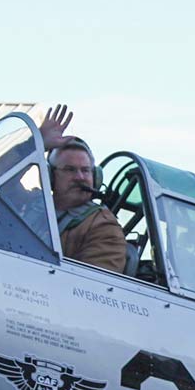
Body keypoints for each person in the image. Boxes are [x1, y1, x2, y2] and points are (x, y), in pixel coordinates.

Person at [37, 105, 128, 273]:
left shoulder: (103, 226)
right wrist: (34, 144)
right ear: (50, 175)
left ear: (95, 177)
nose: (80, 177)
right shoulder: (32, 205)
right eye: (70, 170)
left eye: (85, 170)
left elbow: (93, 287)